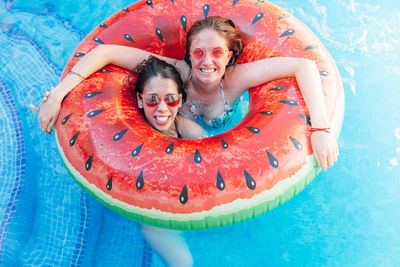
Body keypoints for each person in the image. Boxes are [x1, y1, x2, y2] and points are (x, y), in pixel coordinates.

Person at [33, 16, 338, 171]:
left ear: (230, 55)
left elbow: (303, 66)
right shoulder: (177, 71)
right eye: (199, 52)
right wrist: (59, 94)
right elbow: (106, 51)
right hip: (171, 142)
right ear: (189, 53)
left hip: (222, 147)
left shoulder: (237, 79)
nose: (207, 62)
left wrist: (321, 128)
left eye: (217, 53)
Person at [32, 56, 196, 267]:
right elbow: (89, 132)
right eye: (152, 100)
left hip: (184, 200)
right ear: (139, 100)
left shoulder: (189, 130)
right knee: (183, 262)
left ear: (181, 100)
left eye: (171, 99)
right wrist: (56, 108)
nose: (162, 108)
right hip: (151, 213)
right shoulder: (127, 133)